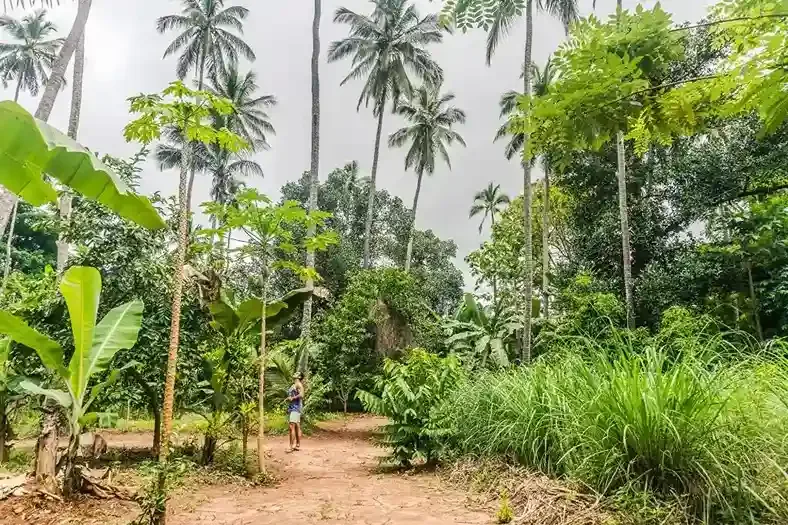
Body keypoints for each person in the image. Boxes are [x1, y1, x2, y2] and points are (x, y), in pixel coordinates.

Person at [286, 372, 304, 452]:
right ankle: (297, 445)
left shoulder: (298, 384)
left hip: (296, 407)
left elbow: (302, 395)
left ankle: (291, 446)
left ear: (299, 376)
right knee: (297, 426)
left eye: (297, 373)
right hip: (294, 407)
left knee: (291, 426)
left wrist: (292, 398)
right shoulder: (295, 384)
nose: (295, 373)